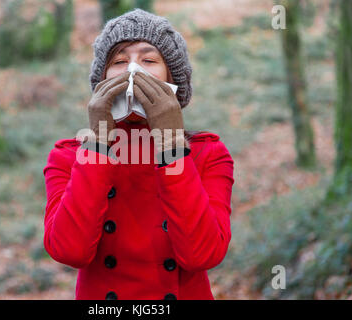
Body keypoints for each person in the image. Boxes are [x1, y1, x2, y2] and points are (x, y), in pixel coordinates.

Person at [43, 8, 234, 300]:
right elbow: (70, 251)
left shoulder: (207, 154)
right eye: (119, 61)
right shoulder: (69, 157)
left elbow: (202, 255)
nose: (133, 71)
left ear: (172, 77)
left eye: (148, 60)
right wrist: (98, 144)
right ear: (102, 79)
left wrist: (171, 142)